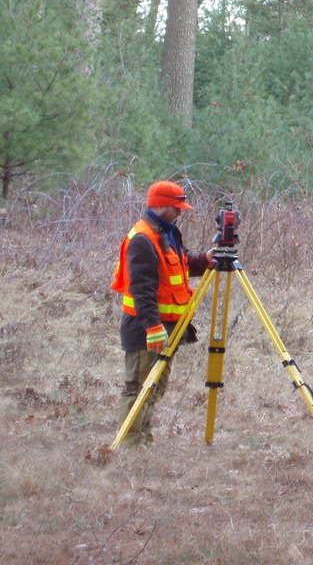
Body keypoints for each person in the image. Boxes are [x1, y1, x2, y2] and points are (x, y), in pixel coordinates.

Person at [110, 180, 213, 446]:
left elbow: (181, 265)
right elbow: (142, 289)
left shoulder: (167, 233)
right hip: (145, 328)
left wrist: (206, 260)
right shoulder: (143, 239)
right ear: (160, 205)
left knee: (154, 388)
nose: (180, 212)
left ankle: (143, 437)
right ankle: (131, 444)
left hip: (169, 326)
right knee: (139, 388)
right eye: (176, 207)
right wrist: (152, 328)